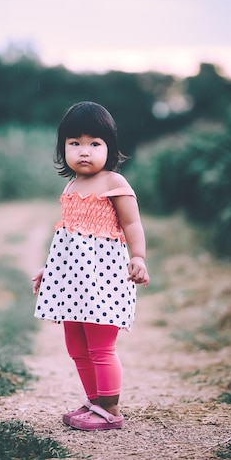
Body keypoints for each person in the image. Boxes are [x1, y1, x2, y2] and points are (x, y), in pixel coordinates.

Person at [32, 101, 149, 431]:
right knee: (76, 345)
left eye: (94, 143)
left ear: (109, 148)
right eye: (75, 143)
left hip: (104, 280)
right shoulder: (70, 187)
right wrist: (50, 270)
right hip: (71, 282)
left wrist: (138, 258)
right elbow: (67, 239)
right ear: (63, 148)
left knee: (100, 345)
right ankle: (94, 400)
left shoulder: (115, 183)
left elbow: (133, 225)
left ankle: (110, 408)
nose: (84, 151)